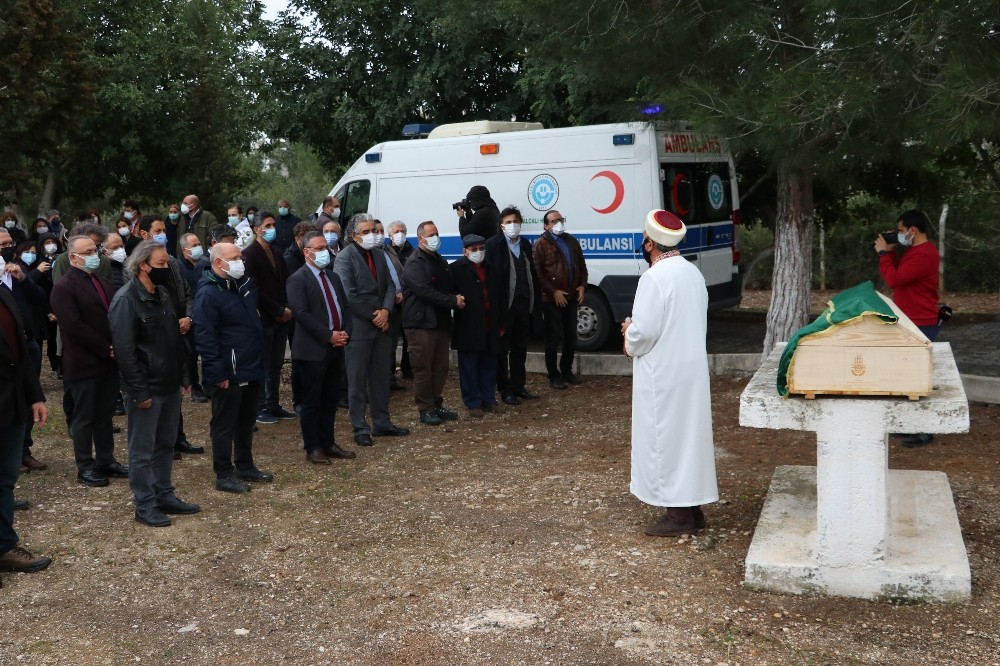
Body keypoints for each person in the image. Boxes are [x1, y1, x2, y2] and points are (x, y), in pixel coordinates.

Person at [622, 209, 718, 537]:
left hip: (663, 374)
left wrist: (628, 333)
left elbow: (645, 332)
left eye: (643, 239)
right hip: (691, 370)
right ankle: (693, 508)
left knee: (666, 440)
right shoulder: (692, 273)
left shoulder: (654, 277)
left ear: (650, 244)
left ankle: (678, 516)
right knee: (690, 439)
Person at [108, 241, 200, 527]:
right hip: (147, 387)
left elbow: (174, 340)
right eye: (161, 264)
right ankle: (145, 504)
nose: (166, 269)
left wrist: (183, 376)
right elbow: (125, 352)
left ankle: (164, 494)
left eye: (167, 264)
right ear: (143, 266)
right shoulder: (126, 300)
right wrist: (139, 391)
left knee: (165, 444)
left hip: (169, 383)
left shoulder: (162, 294)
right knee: (142, 450)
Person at [49, 234, 128, 487]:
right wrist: (106, 348)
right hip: (84, 361)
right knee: (84, 416)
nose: (95, 255)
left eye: (96, 250)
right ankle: (85, 465)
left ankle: (106, 459)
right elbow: (73, 326)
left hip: (107, 361)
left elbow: (113, 314)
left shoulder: (102, 281)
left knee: (104, 414)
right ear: (73, 258)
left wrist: (116, 345)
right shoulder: (64, 287)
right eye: (89, 252)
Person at [194, 242, 273, 493]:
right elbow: (205, 337)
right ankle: (224, 473)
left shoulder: (243, 285)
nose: (241, 262)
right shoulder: (208, 294)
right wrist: (217, 373)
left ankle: (245, 465)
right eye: (235, 258)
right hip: (229, 371)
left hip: (251, 365)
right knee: (224, 423)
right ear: (218, 262)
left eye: (241, 257)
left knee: (246, 420)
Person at [333, 213, 409, 445]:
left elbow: (389, 286)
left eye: (373, 231)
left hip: (382, 326)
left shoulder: (378, 254)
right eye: (365, 232)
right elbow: (348, 295)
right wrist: (374, 316)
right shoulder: (344, 258)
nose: (372, 235)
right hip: (359, 328)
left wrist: (386, 311)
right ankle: (360, 428)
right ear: (354, 235)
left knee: (381, 377)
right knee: (357, 381)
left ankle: (382, 422)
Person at [874, 209, 942, 448]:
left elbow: (893, 280)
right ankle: (909, 423)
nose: (899, 234)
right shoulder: (914, 251)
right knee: (904, 373)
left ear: (913, 230)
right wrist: (891, 252)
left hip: (920, 321)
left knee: (916, 375)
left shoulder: (924, 254)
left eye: (901, 231)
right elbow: (898, 276)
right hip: (909, 319)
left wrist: (883, 253)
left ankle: (924, 429)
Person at [286, 231, 355, 463]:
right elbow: (301, 314)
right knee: (311, 401)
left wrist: (345, 333)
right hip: (312, 351)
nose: (325, 251)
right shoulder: (298, 279)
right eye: (319, 248)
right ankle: (313, 446)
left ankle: (328, 442)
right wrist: (328, 336)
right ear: (306, 252)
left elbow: (345, 307)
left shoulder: (332, 277)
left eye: (325, 247)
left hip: (336, 347)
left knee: (330, 398)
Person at [0, 278, 52, 578]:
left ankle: (4, 546)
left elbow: (19, 352)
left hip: (13, 404)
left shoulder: (4, 293)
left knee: (5, 479)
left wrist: (35, 396)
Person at [401, 221, 463, 425]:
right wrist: (452, 301)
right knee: (423, 368)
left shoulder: (439, 260)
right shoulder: (414, 263)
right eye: (431, 235)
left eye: (436, 233)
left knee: (440, 367)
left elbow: (447, 286)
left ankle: (436, 403)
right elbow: (424, 291)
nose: (435, 238)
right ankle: (425, 409)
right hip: (420, 323)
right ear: (420, 238)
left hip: (440, 322)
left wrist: (457, 297)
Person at [242, 212, 296, 425]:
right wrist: (277, 310)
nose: (273, 228)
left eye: (273, 224)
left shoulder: (276, 251)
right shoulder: (249, 254)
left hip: (281, 316)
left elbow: (285, 282)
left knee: (276, 364)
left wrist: (287, 308)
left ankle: (273, 404)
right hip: (265, 318)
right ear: (257, 229)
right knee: (263, 365)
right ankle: (260, 407)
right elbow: (255, 289)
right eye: (268, 225)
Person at [484, 206, 539, 405]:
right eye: (508, 222)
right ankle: (505, 390)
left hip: (523, 304)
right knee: (502, 351)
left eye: (515, 221)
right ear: (501, 226)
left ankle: (518, 385)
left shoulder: (524, 244)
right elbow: (490, 279)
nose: (512, 225)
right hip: (504, 306)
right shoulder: (493, 245)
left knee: (520, 347)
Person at [533, 210, 588, 389]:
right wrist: (553, 291)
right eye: (554, 221)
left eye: (560, 219)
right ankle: (553, 375)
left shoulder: (571, 241)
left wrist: (582, 285)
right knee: (553, 337)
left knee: (571, 336)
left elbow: (582, 266)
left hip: (570, 296)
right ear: (546, 225)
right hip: (551, 299)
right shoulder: (541, 244)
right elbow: (538, 273)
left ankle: (566, 371)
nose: (559, 223)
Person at [449, 234, 502, 417]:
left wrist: (501, 323)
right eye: (474, 249)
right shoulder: (456, 269)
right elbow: (450, 296)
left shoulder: (491, 268)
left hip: (490, 324)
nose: (478, 252)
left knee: (489, 364)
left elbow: (500, 297)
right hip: (468, 326)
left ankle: (488, 398)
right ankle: (473, 402)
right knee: (469, 366)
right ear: (465, 251)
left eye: (481, 248)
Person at [178, 232, 210, 403]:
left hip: (205, 314)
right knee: (191, 354)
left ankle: (208, 384)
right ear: (185, 250)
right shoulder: (178, 267)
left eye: (199, 244)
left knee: (207, 350)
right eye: (194, 245)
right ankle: (194, 387)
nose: (199, 247)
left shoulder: (206, 264)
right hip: (189, 316)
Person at [375, 220, 406, 391]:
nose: (379, 234)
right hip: (383, 307)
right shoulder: (370, 255)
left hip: (398, 303)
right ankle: (382, 382)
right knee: (382, 346)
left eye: (381, 231)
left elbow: (399, 272)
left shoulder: (388, 250)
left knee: (392, 344)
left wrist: (402, 292)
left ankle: (390, 378)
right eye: (376, 231)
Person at [387, 221, 414, 379]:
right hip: (393, 301)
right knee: (391, 338)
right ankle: (390, 372)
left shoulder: (412, 252)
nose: (400, 234)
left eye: (402, 231)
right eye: (396, 231)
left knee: (409, 337)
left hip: (408, 299)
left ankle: (407, 368)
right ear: (390, 235)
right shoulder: (386, 252)